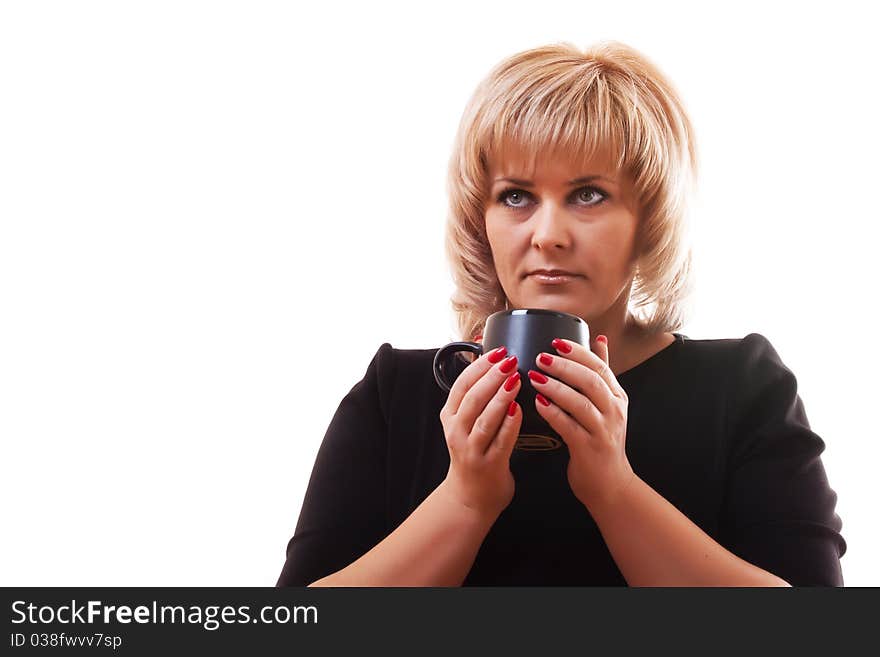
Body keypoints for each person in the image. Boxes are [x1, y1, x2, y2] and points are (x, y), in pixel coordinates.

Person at [276, 41, 846, 587]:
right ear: (483, 221)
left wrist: (614, 490)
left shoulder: (741, 387)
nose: (548, 237)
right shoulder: (395, 393)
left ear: (647, 218)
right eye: (516, 196)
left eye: (588, 195)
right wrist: (466, 500)